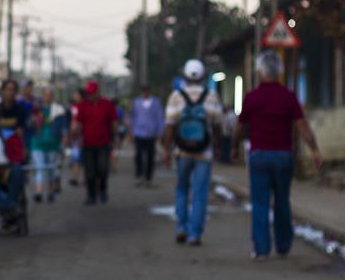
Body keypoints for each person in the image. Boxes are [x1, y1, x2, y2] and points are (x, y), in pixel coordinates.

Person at [233, 50, 324, 260]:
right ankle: (283, 245)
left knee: (260, 203)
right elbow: (303, 127)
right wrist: (315, 150)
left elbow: (239, 127)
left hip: (259, 157)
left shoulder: (251, 98)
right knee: (282, 201)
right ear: (279, 72)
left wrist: (233, 147)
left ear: (259, 71)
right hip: (283, 157)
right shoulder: (288, 97)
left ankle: (262, 249)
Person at [163, 59, 224, 245]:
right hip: (204, 152)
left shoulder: (176, 96)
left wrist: (167, 150)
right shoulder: (212, 95)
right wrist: (219, 146)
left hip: (182, 151)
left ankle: (181, 226)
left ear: (185, 76)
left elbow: (170, 127)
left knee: (182, 189)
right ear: (203, 76)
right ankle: (195, 234)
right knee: (200, 192)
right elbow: (218, 125)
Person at [70, 80, 118, 204]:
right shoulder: (83, 106)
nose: (90, 95)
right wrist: (75, 136)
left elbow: (113, 123)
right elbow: (79, 123)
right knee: (90, 172)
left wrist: (116, 137)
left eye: (92, 93)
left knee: (102, 168)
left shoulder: (107, 105)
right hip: (88, 144)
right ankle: (91, 195)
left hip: (103, 143)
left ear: (98, 92)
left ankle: (102, 190)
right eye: (88, 93)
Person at [29, 86, 65, 203]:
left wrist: (63, 143)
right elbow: (29, 125)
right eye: (45, 94)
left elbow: (63, 128)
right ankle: (39, 192)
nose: (47, 97)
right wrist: (34, 120)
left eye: (50, 95)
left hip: (52, 143)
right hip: (38, 143)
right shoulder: (35, 109)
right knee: (40, 168)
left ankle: (50, 192)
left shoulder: (58, 110)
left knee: (51, 169)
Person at [129, 84, 165, 187]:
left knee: (150, 156)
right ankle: (139, 175)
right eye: (142, 91)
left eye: (146, 91)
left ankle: (149, 177)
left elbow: (159, 117)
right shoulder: (136, 102)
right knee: (138, 155)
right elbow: (133, 118)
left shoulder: (156, 102)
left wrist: (160, 132)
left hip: (151, 133)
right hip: (139, 132)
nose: (144, 93)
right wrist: (131, 131)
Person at [67, 89, 84, 187]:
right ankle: (74, 177)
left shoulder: (84, 106)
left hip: (82, 135)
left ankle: (82, 178)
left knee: (81, 158)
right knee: (75, 157)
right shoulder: (72, 107)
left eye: (76, 94)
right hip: (74, 135)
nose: (74, 96)